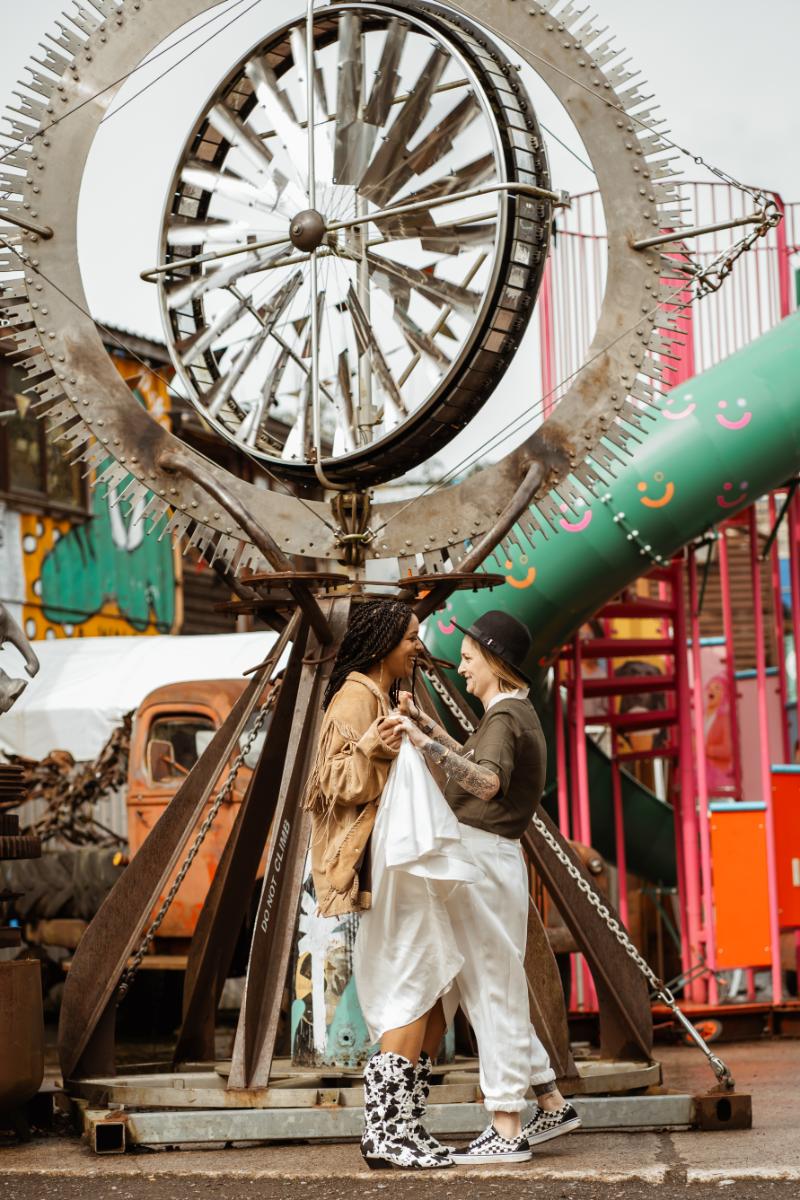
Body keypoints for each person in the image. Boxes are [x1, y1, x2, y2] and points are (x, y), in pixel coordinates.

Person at [393, 610, 582, 1165]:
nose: (464, 668)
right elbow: (473, 758)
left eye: (471, 658)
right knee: (493, 982)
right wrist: (426, 727)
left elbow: (487, 781)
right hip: (494, 861)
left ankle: (505, 1124)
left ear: (494, 661)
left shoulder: (502, 719)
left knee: (489, 991)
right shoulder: (510, 714)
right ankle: (549, 1100)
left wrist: (423, 746)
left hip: (482, 861)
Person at [303, 598, 457, 1171]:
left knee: (433, 991)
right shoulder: (354, 696)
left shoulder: (383, 696)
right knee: (415, 984)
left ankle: (403, 1127)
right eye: (411, 636)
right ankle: (386, 1133)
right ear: (384, 641)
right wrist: (372, 746)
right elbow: (329, 783)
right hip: (385, 871)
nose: (420, 645)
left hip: (399, 867)